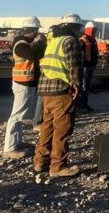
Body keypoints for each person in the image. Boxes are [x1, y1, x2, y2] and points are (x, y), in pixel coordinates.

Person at [34, 14, 83, 181]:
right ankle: (58, 166)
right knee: (62, 129)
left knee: (47, 126)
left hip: (46, 91)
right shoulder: (71, 41)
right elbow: (75, 66)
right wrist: (77, 86)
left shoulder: (54, 41)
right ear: (75, 28)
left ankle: (40, 162)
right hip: (62, 90)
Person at [3, 16, 44, 159]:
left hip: (27, 83)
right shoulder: (20, 44)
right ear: (32, 30)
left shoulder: (28, 43)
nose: (38, 33)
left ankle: (17, 142)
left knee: (20, 115)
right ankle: (9, 148)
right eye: (37, 30)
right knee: (16, 115)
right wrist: (39, 43)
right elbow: (32, 54)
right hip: (22, 84)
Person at [77, 22, 99, 112]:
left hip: (91, 66)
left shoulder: (93, 40)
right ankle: (80, 106)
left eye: (95, 30)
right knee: (83, 86)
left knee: (87, 86)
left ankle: (85, 104)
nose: (94, 32)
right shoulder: (82, 40)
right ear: (88, 30)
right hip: (84, 67)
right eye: (93, 30)